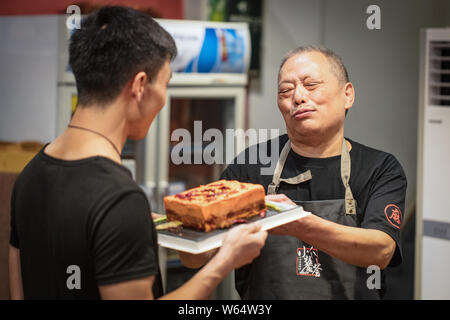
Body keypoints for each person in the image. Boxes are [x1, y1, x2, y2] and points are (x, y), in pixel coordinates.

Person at [8, 6, 267, 300]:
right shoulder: (119, 197)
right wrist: (225, 261)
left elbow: (19, 292)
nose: (164, 100)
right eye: (166, 84)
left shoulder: (29, 175)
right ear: (140, 86)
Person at [180, 46, 407, 299]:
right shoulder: (251, 166)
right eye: (286, 90)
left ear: (348, 95)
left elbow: (381, 251)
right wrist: (182, 231)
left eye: (311, 85)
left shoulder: (379, 168)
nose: (298, 97)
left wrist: (299, 223)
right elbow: (196, 257)